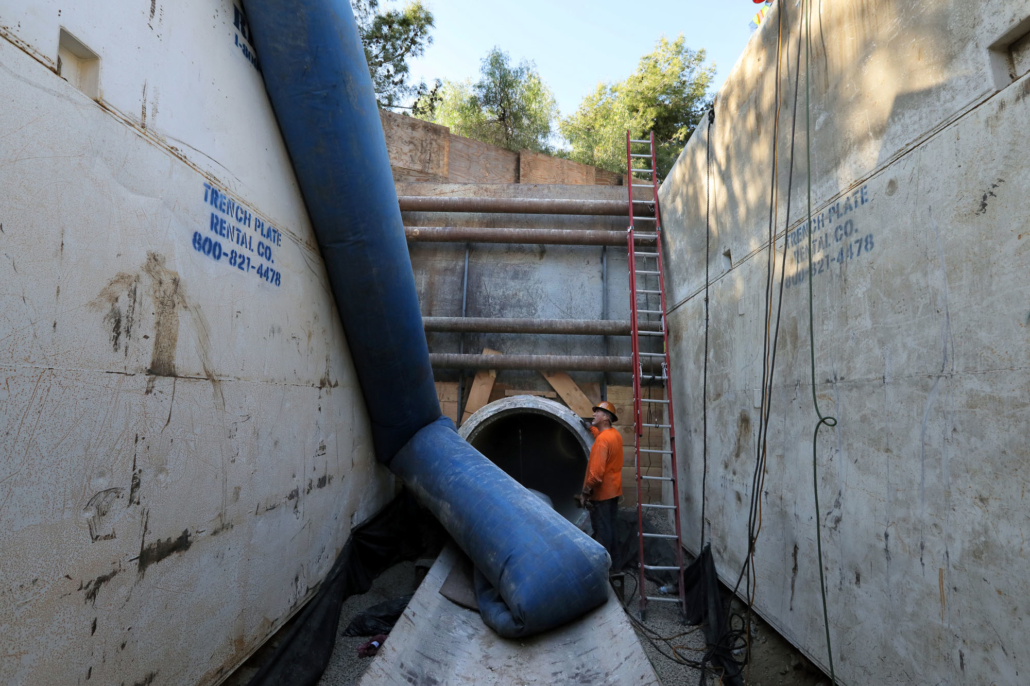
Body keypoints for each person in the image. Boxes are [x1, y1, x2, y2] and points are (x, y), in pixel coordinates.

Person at [578, 401, 624, 574]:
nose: (594, 414)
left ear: (606, 417)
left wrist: (585, 493)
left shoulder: (602, 442)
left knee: (602, 533)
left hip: (602, 495)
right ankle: (616, 567)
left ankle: (602, 571)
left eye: (597, 412)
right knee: (612, 529)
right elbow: (601, 435)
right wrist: (591, 428)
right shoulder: (613, 435)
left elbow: (596, 475)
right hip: (613, 492)